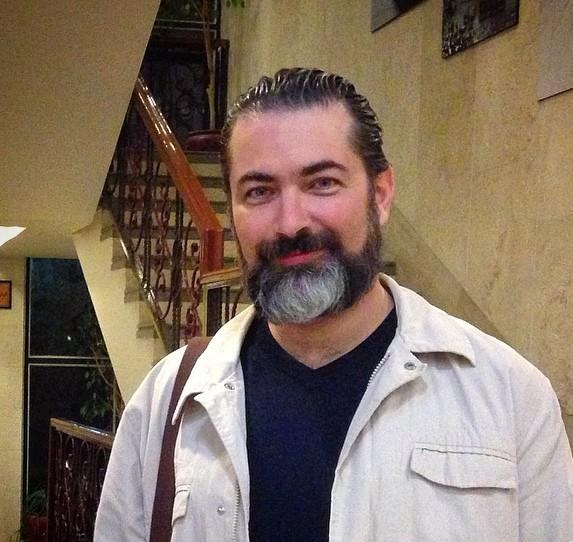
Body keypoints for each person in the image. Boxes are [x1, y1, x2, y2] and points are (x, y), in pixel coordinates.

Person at [94, 68, 573, 542]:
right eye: (259, 192)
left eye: (322, 183)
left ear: (379, 196)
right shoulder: (165, 406)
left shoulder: (509, 397)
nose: (290, 223)